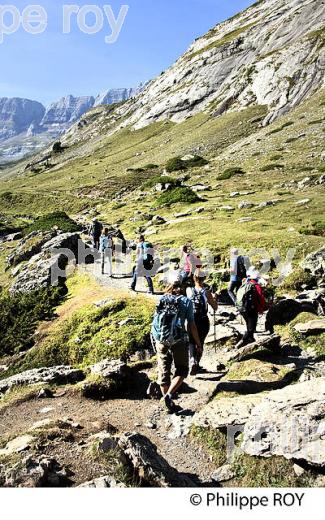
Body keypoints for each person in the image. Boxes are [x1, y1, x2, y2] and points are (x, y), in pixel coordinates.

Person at [151, 277, 202, 413]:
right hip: (179, 339)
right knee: (182, 369)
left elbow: (155, 320)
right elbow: (191, 325)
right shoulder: (186, 302)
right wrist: (198, 343)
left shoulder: (160, 299)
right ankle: (168, 397)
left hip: (161, 339)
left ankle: (168, 403)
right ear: (183, 287)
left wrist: (156, 338)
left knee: (164, 371)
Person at [187, 270, 218, 375]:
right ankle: (197, 363)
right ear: (204, 279)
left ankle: (192, 361)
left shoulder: (188, 290)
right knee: (200, 342)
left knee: (191, 341)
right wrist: (214, 299)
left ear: (194, 278)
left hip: (191, 320)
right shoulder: (207, 292)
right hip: (203, 320)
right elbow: (215, 307)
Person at [236, 267, 267, 348]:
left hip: (242, 309)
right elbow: (261, 298)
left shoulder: (245, 283)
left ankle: (252, 343)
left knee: (249, 326)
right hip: (251, 309)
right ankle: (240, 343)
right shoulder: (256, 286)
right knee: (251, 329)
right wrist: (263, 308)